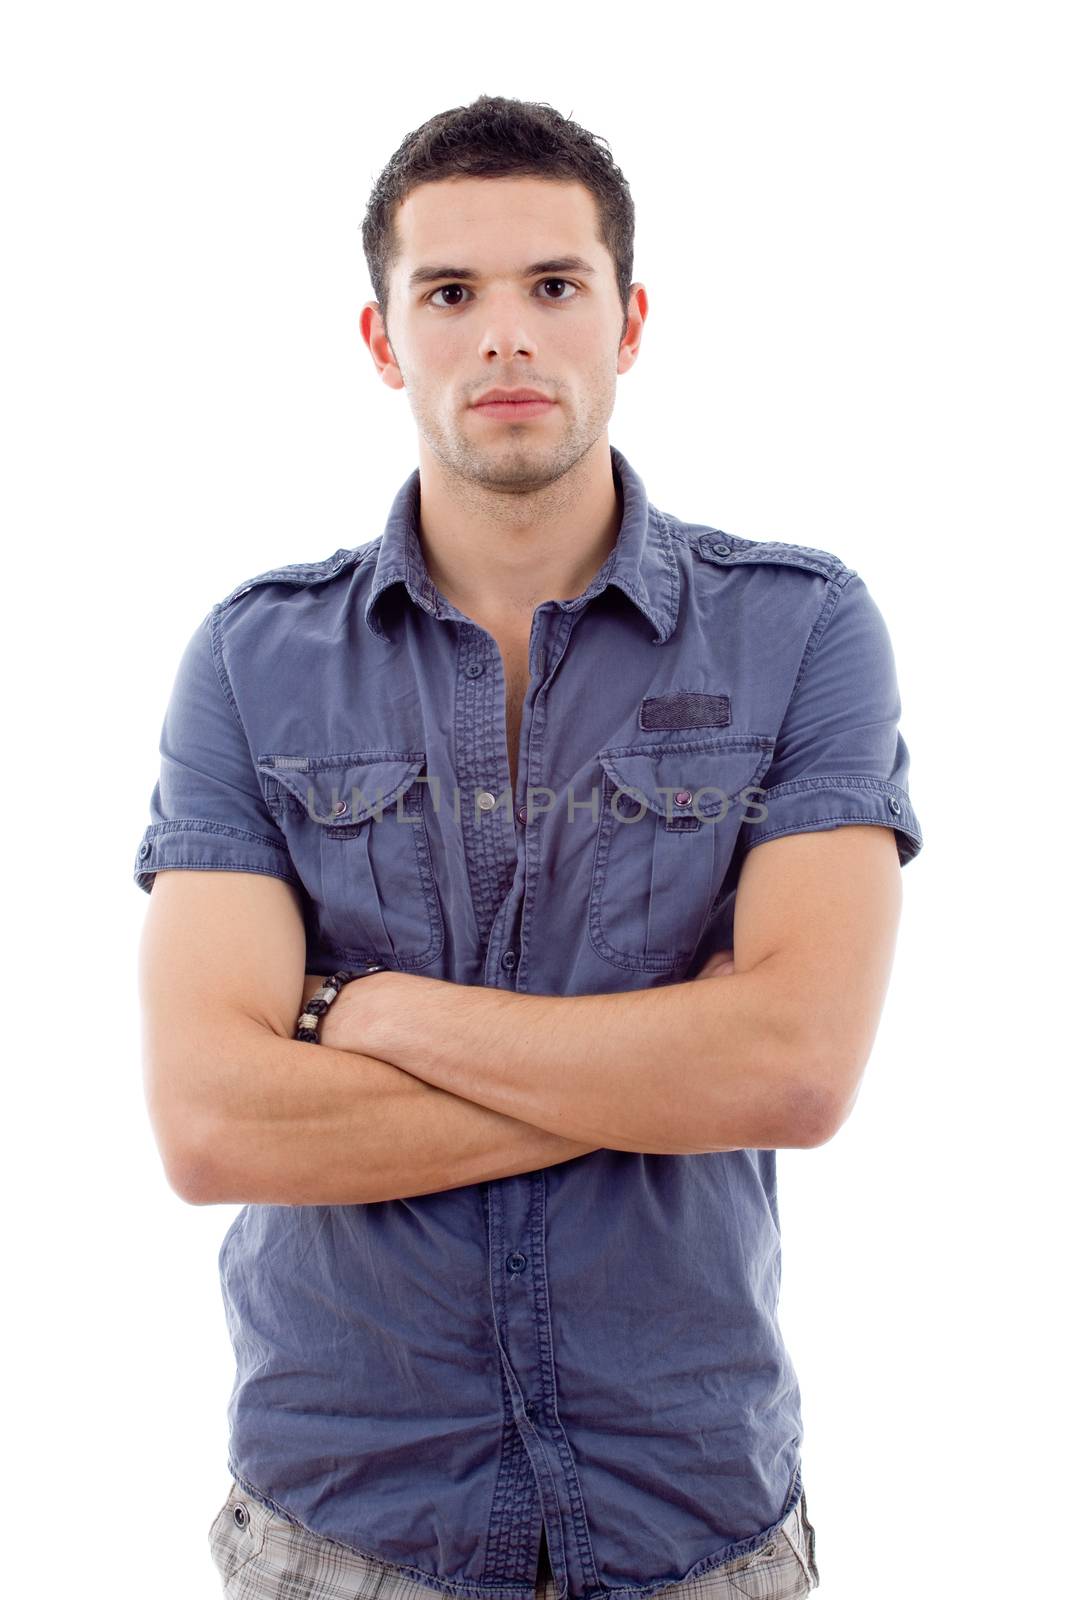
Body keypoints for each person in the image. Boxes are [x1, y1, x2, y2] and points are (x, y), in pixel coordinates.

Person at [134, 94, 922, 1600]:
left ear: (628, 322)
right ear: (384, 340)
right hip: (341, 1532)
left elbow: (796, 1072)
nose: (506, 336)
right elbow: (213, 1124)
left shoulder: (805, 629)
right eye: (450, 293)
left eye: (554, 287)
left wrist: (372, 1019)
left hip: (693, 1527)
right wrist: (661, 1075)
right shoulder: (251, 658)